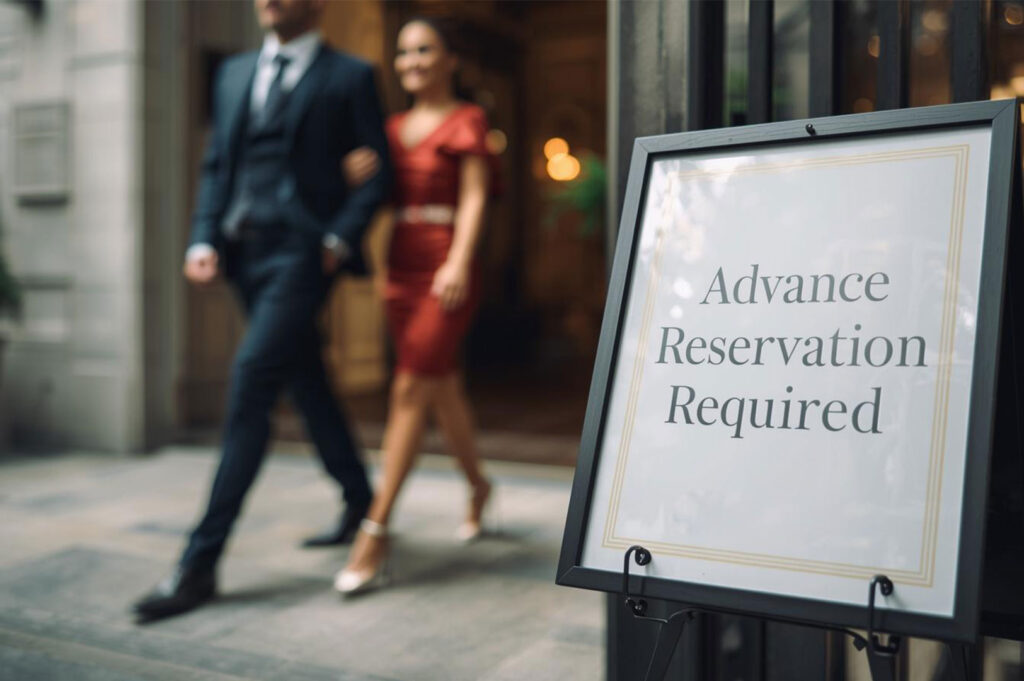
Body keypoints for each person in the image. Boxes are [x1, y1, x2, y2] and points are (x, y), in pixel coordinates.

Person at [132, 0, 391, 622]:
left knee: (250, 385)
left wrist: (337, 239)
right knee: (305, 379)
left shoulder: (350, 75)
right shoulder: (233, 73)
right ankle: (361, 500)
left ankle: (199, 563)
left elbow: (382, 175)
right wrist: (202, 238)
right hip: (243, 254)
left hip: (304, 256)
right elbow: (219, 163)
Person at [333, 16, 499, 596]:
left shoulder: (468, 119)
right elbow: (377, 199)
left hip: (446, 268)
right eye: (404, 53)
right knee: (440, 385)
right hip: (398, 269)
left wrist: (457, 259)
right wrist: (352, 173)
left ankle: (375, 530)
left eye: (426, 49)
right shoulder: (390, 127)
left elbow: (476, 196)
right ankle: (478, 485)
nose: (413, 62)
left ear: (450, 59)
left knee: (409, 387)